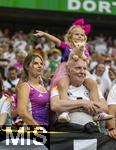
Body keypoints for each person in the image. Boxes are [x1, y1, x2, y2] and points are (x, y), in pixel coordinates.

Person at [34, 18, 112, 122]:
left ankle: (98, 112)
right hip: (65, 70)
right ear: (70, 36)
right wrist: (45, 34)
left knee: (92, 83)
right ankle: (64, 112)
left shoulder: (85, 49)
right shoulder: (66, 46)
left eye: (81, 35)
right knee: (63, 83)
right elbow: (56, 40)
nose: (79, 36)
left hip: (80, 71)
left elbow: (86, 61)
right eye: (77, 34)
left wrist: (82, 56)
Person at [50, 57, 116, 150]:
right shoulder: (59, 86)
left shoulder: (92, 86)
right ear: (69, 70)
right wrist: (83, 103)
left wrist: (72, 106)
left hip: (90, 133)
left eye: (84, 68)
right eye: (78, 68)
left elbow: (104, 108)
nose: (82, 71)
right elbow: (55, 105)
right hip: (67, 135)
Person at [17, 53, 50, 126]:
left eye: (41, 64)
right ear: (27, 67)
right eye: (35, 63)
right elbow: (22, 112)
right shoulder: (25, 86)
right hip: (30, 127)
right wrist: (38, 129)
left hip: (44, 126)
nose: (39, 66)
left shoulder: (44, 87)